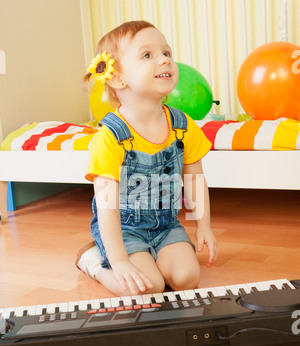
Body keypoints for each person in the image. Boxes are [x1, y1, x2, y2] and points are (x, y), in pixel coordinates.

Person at [76, 20, 218, 296]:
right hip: (123, 230)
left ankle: (150, 257)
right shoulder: (110, 137)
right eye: (148, 55)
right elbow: (106, 207)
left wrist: (204, 225)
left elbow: (195, 179)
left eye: (166, 52)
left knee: (187, 278)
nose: (164, 60)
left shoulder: (182, 125)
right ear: (117, 78)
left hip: (166, 225)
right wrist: (117, 261)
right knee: (147, 287)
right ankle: (94, 262)